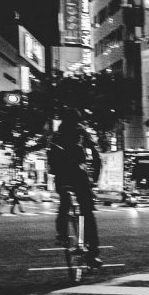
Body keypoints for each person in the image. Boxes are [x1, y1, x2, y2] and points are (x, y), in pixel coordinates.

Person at [48, 109, 102, 268]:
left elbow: (51, 162)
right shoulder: (82, 132)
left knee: (64, 202)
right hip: (79, 176)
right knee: (87, 212)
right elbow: (96, 156)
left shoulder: (56, 136)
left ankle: (62, 234)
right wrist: (95, 179)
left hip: (62, 176)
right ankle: (92, 254)